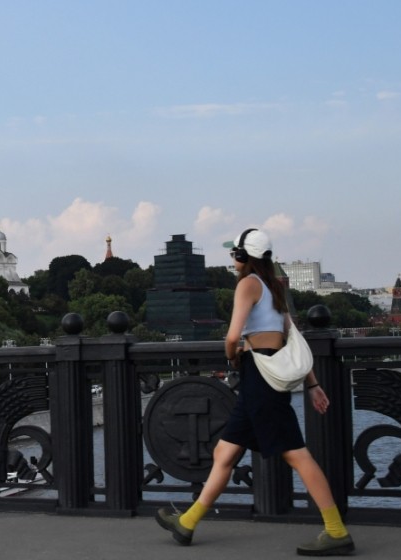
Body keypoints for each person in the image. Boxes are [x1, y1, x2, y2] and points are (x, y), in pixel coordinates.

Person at [156, 228, 354, 556]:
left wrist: (232, 357)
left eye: (235, 253)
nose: (232, 259)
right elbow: (294, 339)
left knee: (296, 454)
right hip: (262, 379)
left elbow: (233, 336)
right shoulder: (274, 287)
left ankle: (336, 531)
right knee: (225, 453)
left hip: (258, 377)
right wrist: (313, 383)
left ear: (244, 257)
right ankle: (187, 522)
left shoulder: (248, 285)